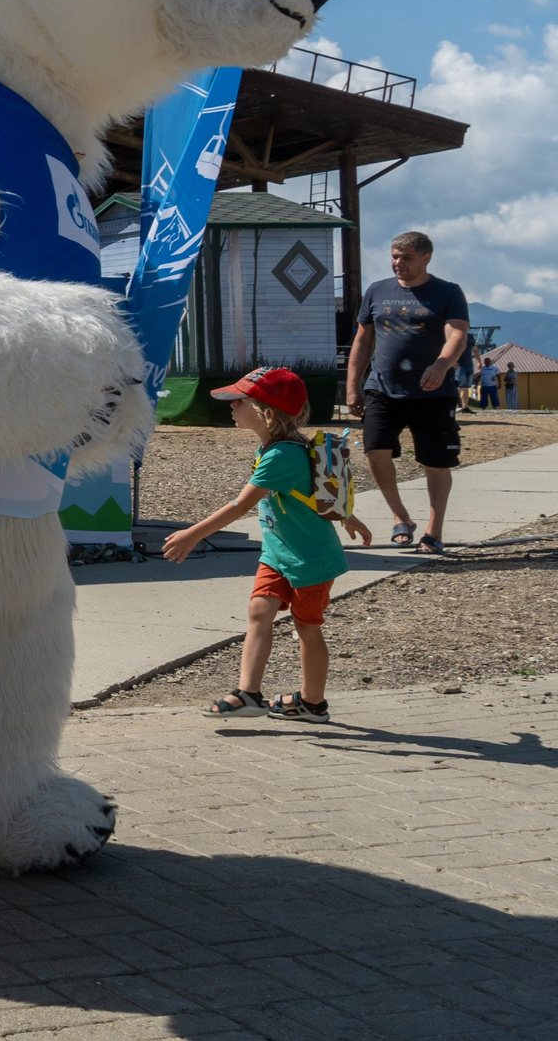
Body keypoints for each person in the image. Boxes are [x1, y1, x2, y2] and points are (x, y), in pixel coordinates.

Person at [164, 367, 371, 724]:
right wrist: (346, 516)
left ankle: (312, 703)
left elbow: (240, 505)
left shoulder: (280, 455)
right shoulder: (281, 446)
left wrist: (193, 533)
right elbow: (318, 489)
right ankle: (249, 694)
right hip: (278, 554)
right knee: (260, 612)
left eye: (238, 401)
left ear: (267, 413)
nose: (231, 406)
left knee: (307, 627)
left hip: (309, 560)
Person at [343, 230, 470, 555]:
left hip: (433, 393)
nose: (398, 263)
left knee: (435, 462)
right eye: (395, 256)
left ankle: (433, 530)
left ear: (426, 258)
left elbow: (457, 333)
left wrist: (442, 365)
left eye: (407, 258)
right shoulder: (377, 291)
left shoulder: (447, 292)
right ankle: (401, 517)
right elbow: (363, 340)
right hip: (382, 389)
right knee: (375, 450)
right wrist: (352, 386)